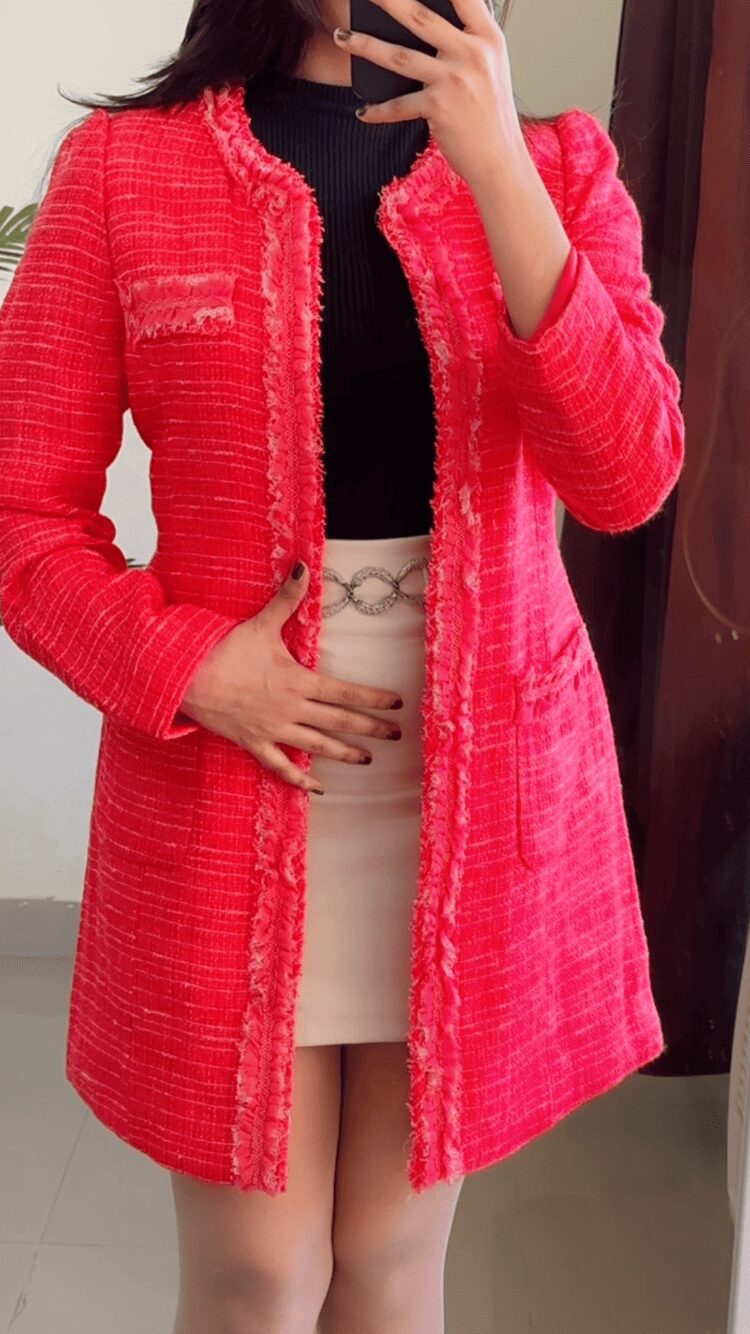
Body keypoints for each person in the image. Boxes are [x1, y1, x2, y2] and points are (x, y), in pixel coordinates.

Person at [0, 0, 686, 1330]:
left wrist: (498, 167)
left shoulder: (553, 165)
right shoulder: (128, 169)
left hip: (477, 787)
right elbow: (23, 515)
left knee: (389, 1260)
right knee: (257, 1273)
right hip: (229, 768)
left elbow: (627, 475)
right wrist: (193, 667)